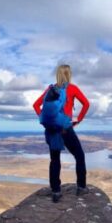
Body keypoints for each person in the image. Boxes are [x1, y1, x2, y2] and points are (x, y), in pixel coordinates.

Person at [33, 64, 90, 203]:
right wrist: (78, 120)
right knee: (79, 155)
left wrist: (44, 120)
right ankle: (81, 187)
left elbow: (35, 105)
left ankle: (56, 191)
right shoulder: (72, 88)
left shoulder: (50, 89)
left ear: (57, 74)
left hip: (52, 129)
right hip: (65, 128)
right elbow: (86, 104)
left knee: (55, 160)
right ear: (69, 74)